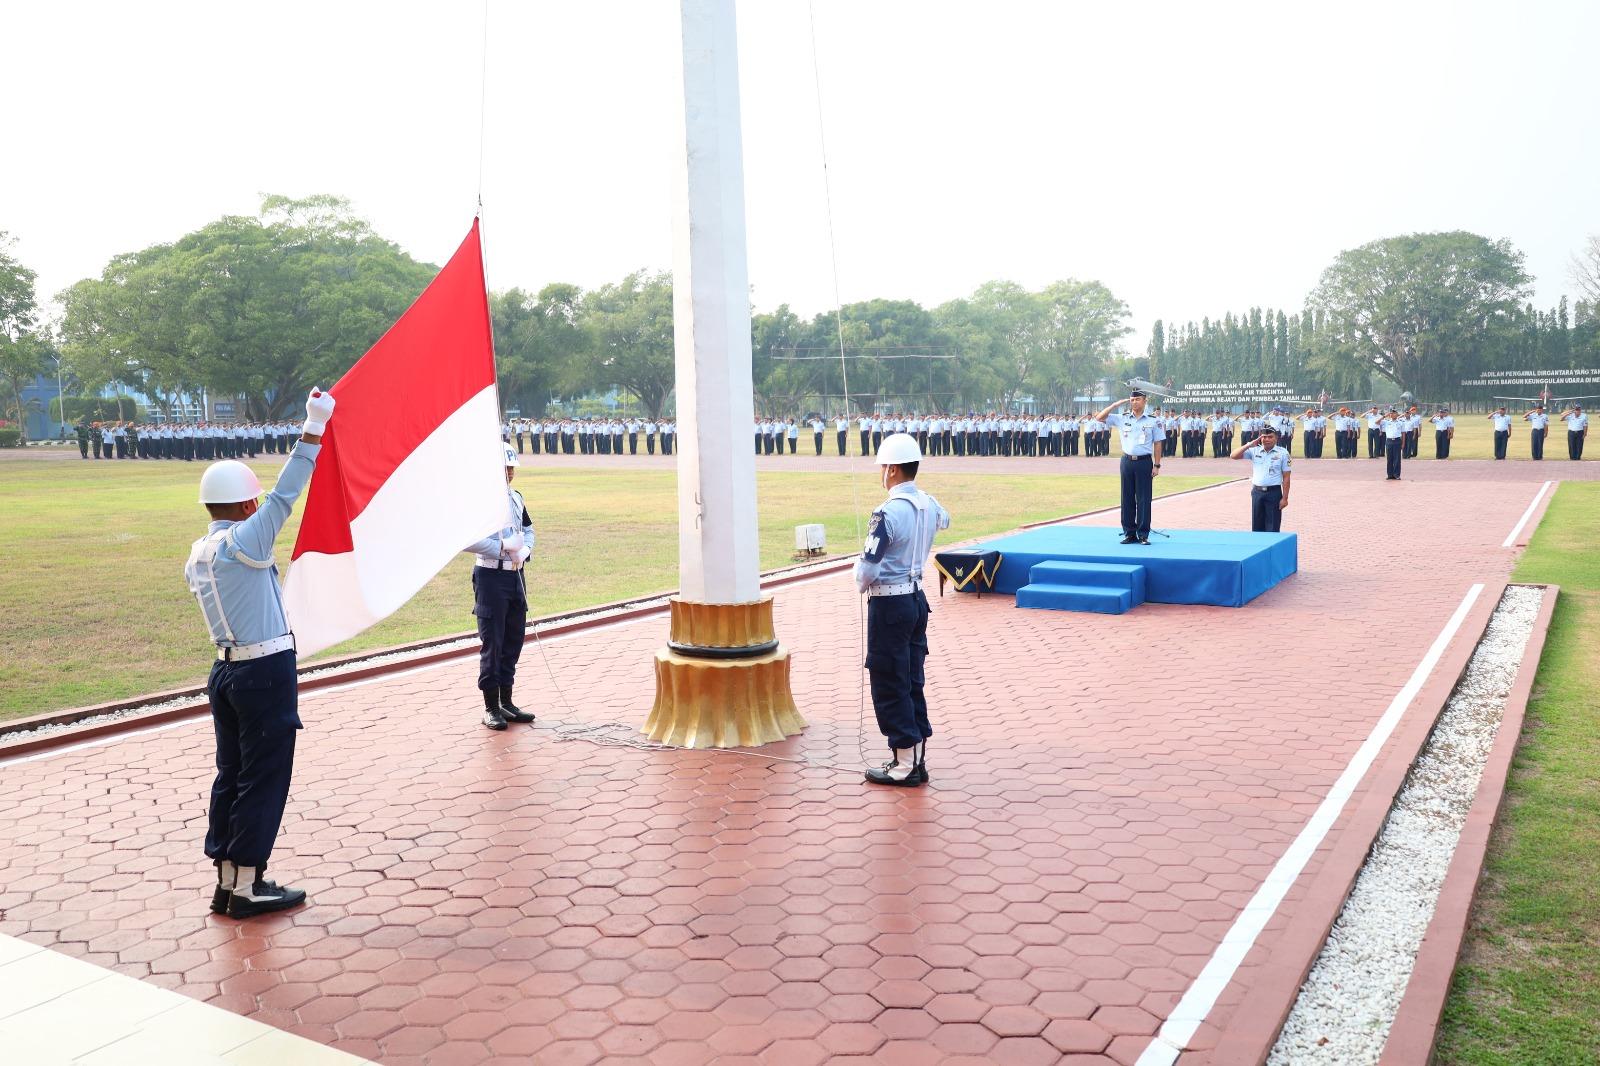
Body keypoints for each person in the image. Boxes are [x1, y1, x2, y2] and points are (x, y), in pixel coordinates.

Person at [184, 387, 334, 920]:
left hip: (224, 670)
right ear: (247, 505)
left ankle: (227, 880)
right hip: (263, 670)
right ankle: (249, 883)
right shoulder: (245, 541)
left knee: (231, 774)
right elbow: (287, 494)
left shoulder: (200, 553)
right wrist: (313, 429)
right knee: (264, 777)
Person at [854, 432, 950, 788]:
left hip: (889, 602)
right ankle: (917, 758)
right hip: (915, 598)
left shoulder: (886, 513)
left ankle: (903, 763)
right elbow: (946, 520)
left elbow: (867, 568)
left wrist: (859, 581)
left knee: (888, 678)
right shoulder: (928, 503)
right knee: (911, 677)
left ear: (892, 470)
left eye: (882, 468)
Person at [463, 445, 537, 731]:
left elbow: (528, 528)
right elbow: (467, 540)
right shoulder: (481, 502)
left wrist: (525, 549)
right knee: (493, 642)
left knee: (513, 640)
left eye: (511, 468)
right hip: (490, 576)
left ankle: (506, 701)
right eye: (504, 468)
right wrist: (502, 547)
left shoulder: (516, 498)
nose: (509, 473)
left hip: (515, 575)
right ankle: (491, 706)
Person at [1095, 390, 1164, 544]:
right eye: (1132, 400)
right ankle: (1129, 533)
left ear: (1144, 401)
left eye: (1137, 399)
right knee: (1126, 498)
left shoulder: (1154, 421)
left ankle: (1143, 534)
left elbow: (1158, 443)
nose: (1134, 402)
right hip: (1127, 462)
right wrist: (1114, 404)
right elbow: (1099, 417)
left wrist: (1157, 465)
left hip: (1144, 462)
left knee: (1144, 499)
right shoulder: (1122, 418)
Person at [1232, 425, 1291, 532]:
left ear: (1276, 438)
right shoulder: (1255, 451)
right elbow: (1233, 455)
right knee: (1257, 527)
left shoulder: (1283, 453)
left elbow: (1286, 476)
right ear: (1260, 438)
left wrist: (1285, 498)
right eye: (1264, 437)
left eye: (1270, 437)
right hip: (1257, 493)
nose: (1267, 439)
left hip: (1274, 493)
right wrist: (1249, 444)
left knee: (1272, 527)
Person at [1379, 407, 1406, 480]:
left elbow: (1403, 433)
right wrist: (1384, 416)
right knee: (1389, 459)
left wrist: (1403, 443)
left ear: (1397, 414)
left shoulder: (1401, 423)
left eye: (1393, 413)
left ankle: (1397, 475)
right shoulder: (1386, 422)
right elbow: (1377, 422)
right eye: (1391, 413)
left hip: (1397, 441)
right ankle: (1390, 475)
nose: (1392, 414)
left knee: (1397, 459)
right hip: (1389, 441)